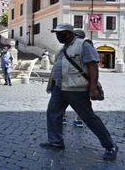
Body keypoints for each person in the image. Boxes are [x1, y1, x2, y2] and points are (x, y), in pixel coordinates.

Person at [41, 23, 118, 161]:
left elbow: (93, 66)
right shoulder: (63, 48)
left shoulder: (83, 45)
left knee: (89, 118)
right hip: (59, 88)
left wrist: (93, 87)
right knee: (52, 113)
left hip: (76, 89)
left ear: (69, 33)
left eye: (61, 33)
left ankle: (110, 146)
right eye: (56, 33)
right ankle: (56, 141)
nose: (58, 36)